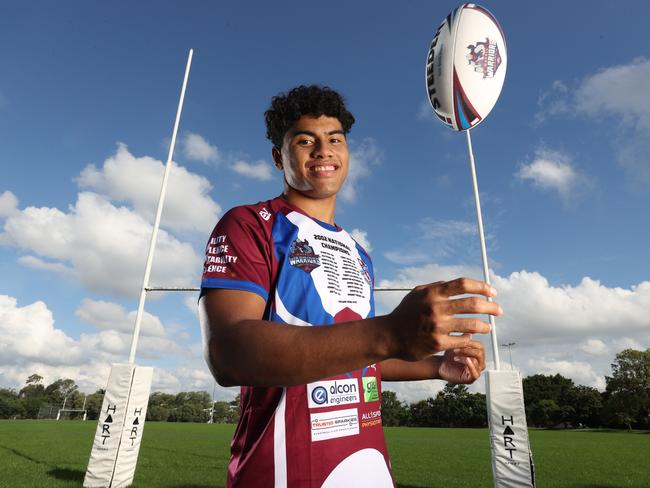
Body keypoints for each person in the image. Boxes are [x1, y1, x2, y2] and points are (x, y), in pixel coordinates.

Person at [199, 85, 501, 487]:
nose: (323, 150)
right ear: (279, 156)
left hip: (366, 461)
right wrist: (390, 331)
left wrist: (435, 366)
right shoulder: (249, 223)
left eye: (335, 139)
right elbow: (228, 352)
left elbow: (361, 355)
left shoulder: (359, 252)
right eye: (305, 140)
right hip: (283, 469)